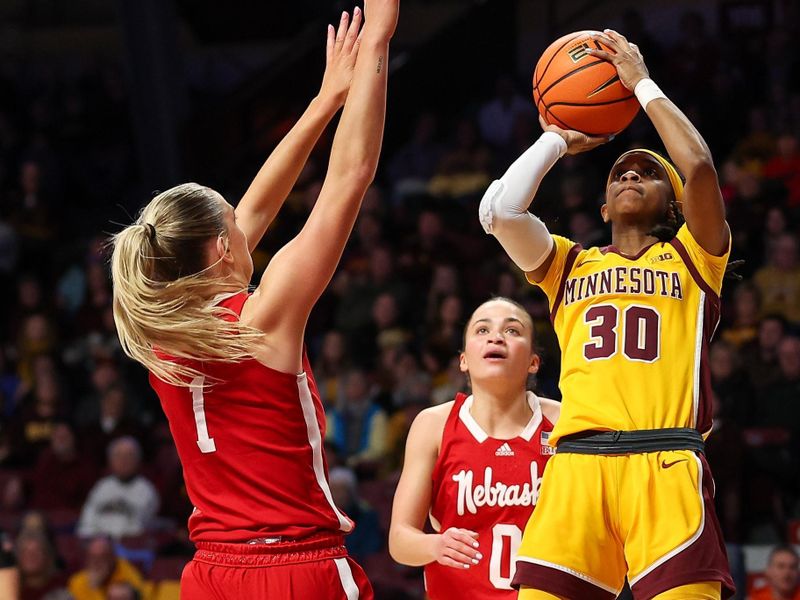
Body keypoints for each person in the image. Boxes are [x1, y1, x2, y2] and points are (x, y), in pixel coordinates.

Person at [108, 3, 398, 599]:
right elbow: (351, 175)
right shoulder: (263, 318)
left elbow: (249, 214)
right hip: (298, 567)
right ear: (219, 250)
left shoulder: (159, 335)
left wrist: (324, 101)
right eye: (236, 231)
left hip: (211, 576)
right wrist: (378, 41)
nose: (250, 230)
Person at [479, 30, 734, 599]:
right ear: (602, 205)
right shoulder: (569, 263)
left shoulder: (695, 258)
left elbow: (698, 168)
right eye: (620, 173)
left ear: (673, 204)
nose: (629, 177)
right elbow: (499, 210)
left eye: (645, 173)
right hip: (576, 463)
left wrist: (639, 81)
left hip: (665, 460)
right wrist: (555, 139)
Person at [389, 297, 560, 599]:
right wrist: (435, 545)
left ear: (534, 362)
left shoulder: (563, 421)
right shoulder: (433, 425)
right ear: (464, 360)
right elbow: (400, 540)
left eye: (512, 330)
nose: (495, 336)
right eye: (482, 330)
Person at [67, 536, 144, 600]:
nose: (97, 563)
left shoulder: (126, 573)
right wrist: (93, 586)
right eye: (93, 557)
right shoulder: (77, 581)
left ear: (112, 558)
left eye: (102, 557)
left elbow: (141, 593)